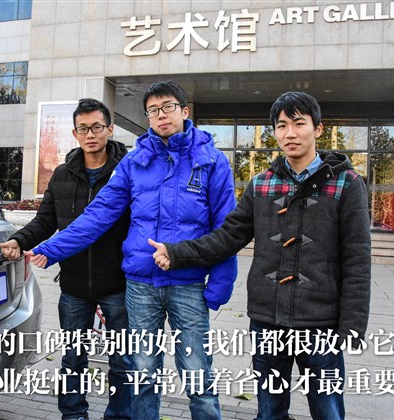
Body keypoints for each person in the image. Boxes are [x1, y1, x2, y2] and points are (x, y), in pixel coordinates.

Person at [150, 91, 371, 420]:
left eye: (299, 124)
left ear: (318, 129)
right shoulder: (261, 184)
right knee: (269, 412)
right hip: (268, 321)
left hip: (320, 323)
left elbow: (357, 259)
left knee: (328, 411)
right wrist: (177, 253)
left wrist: (352, 325)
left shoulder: (346, 183)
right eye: (281, 126)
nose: (290, 133)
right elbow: (227, 237)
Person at [26, 81, 238, 419]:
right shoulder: (134, 162)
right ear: (147, 118)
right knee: (142, 372)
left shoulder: (211, 161)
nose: (161, 115)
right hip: (140, 287)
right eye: (153, 110)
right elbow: (98, 214)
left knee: (197, 372)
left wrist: (221, 283)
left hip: (187, 284)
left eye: (168, 107)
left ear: (184, 111)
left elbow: (226, 228)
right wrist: (53, 249)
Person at [0, 98, 132, 420]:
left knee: (123, 360)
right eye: (83, 128)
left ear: (110, 129)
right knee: (73, 358)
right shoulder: (62, 175)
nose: (90, 134)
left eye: (97, 127)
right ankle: (73, 415)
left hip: (118, 284)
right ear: (74, 133)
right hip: (74, 285)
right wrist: (19, 240)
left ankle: (119, 416)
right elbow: (46, 220)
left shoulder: (127, 172)